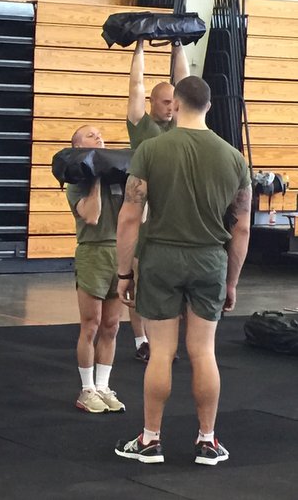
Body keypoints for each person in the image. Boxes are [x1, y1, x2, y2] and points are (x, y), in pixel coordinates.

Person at [114, 76, 251, 465]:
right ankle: (207, 441)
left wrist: (125, 273)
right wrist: (232, 280)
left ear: (174, 105)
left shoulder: (151, 150)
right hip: (210, 259)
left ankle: (150, 440)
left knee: (161, 353)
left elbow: (129, 217)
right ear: (208, 107)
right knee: (203, 351)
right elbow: (240, 227)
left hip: (160, 258)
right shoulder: (234, 158)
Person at [126, 38, 190, 362]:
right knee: (139, 278)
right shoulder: (142, 126)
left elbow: (186, 81)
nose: (171, 106)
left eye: (173, 102)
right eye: (165, 102)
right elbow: (136, 85)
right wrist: (139, 46)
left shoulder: (181, 126)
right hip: (146, 208)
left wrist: (177, 47)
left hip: (173, 209)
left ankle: (164, 340)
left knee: (168, 283)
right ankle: (141, 341)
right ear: (153, 103)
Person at [66, 125, 126, 414]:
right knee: (91, 324)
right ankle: (86, 389)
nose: (99, 137)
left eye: (101, 134)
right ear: (78, 147)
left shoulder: (118, 177)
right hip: (93, 251)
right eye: (90, 135)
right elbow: (91, 215)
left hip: (120, 251)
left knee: (112, 326)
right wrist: (96, 177)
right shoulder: (76, 183)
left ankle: (103, 386)